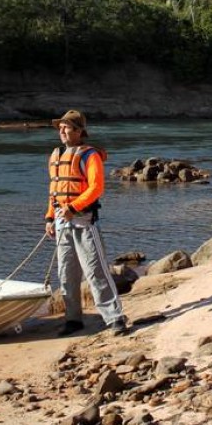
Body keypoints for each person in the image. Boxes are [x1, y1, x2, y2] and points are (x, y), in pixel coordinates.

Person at [44, 109, 129, 336]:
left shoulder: (89, 155)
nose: (61, 131)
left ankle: (115, 318)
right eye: (60, 127)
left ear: (79, 131)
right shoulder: (55, 155)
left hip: (84, 221)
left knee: (95, 271)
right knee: (66, 274)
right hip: (63, 223)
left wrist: (73, 208)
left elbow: (96, 188)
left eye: (67, 127)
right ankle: (73, 320)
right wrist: (50, 217)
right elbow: (55, 191)